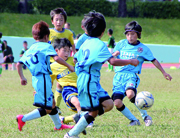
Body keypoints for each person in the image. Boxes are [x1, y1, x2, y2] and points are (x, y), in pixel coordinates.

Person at [64, 11, 139, 138]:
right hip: (89, 80)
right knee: (92, 112)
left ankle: (81, 120)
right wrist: (131, 61)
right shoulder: (100, 45)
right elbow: (113, 61)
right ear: (103, 31)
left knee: (109, 104)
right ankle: (71, 134)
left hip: (87, 80)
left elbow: (76, 59)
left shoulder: (86, 43)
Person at [16, 21, 74, 131]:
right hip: (43, 77)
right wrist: (69, 66)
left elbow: (19, 64)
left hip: (36, 78)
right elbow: (56, 58)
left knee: (51, 103)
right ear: (47, 36)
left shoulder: (31, 48)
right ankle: (23, 118)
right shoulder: (47, 46)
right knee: (47, 108)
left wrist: (22, 77)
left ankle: (58, 126)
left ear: (34, 36)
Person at [112, 21, 172, 127]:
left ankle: (145, 117)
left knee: (130, 94)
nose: (130, 36)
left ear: (138, 34)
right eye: (128, 34)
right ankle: (134, 120)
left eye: (133, 34)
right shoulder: (121, 44)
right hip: (118, 77)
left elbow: (154, 60)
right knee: (117, 103)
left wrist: (164, 72)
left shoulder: (143, 49)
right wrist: (114, 54)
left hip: (131, 75)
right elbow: (112, 57)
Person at [49, 8, 76, 114]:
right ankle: (53, 105)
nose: (58, 22)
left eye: (61, 20)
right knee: (54, 84)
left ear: (64, 21)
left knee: (60, 84)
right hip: (52, 62)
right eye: (56, 20)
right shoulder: (49, 32)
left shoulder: (68, 33)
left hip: (64, 62)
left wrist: (75, 55)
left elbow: (72, 46)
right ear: (52, 21)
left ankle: (57, 107)